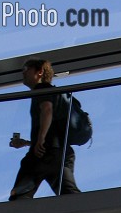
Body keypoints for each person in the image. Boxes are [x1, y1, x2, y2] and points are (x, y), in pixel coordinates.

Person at [8, 58, 80, 200]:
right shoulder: (55, 92)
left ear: (39, 72)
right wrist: (27, 143)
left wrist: (40, 139)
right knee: (70, 195)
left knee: (19, 195)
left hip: (45, 154)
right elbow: (54, 129)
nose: (23, 72)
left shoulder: (41, 89)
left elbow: (47, 109)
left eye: (26, 68)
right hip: (62, 153)